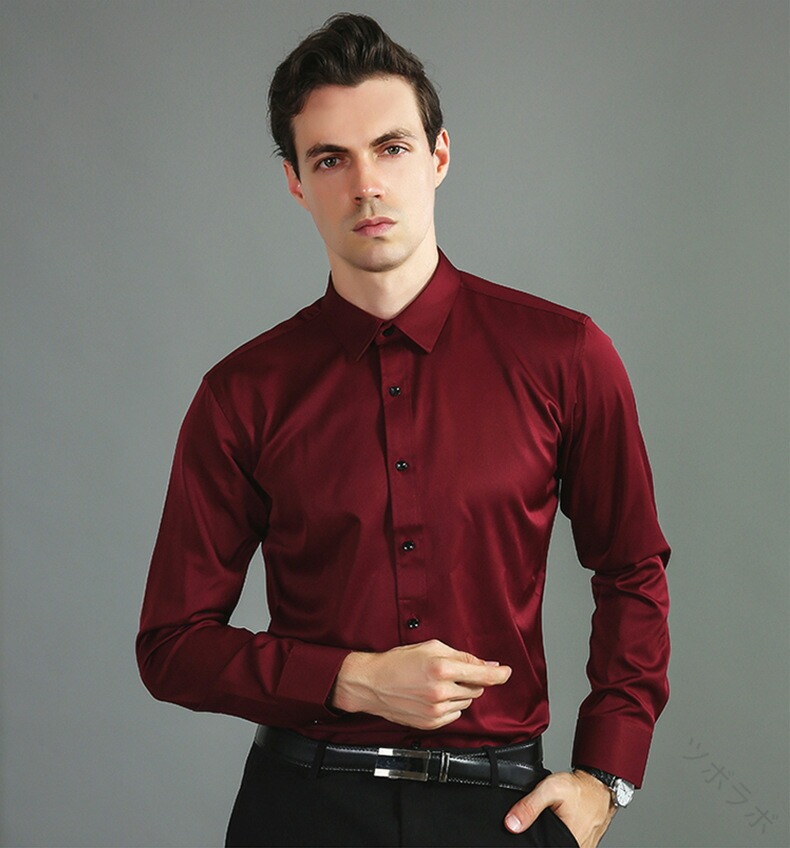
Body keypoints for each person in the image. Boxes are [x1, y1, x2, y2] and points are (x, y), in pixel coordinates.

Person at [136, 13, 670, 848]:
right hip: (301, 811)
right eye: (330, 159)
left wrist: (606, 776)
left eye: (390, 148)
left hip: (500, 812)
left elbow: (631, 567)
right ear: (295, 182)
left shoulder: (565, 355)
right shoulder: (241, 394)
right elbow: (172, 646)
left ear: (439, 156)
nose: (366, 186)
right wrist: (349, 680)